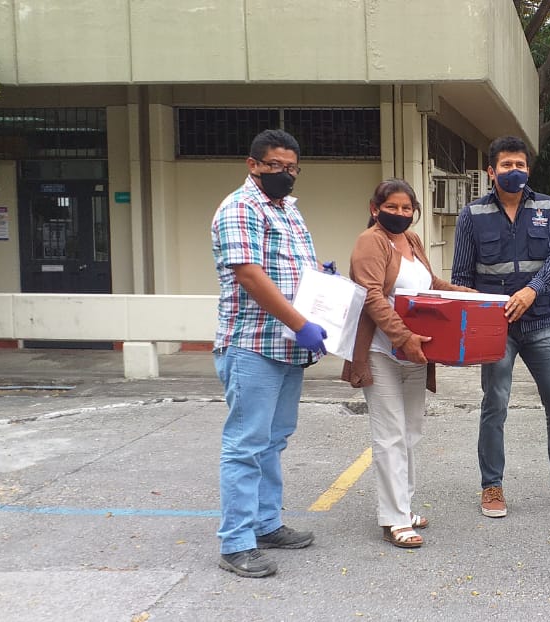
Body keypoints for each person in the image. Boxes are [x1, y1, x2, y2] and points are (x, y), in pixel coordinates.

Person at [451, 135, 550, 518]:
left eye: (520, 165)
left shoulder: (547, 208)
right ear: (491, 171)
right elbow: (461, 277)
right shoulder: (472, 215)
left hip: (540, 322)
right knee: (495, 403)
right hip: (495, 327)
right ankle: (492, 486)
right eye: (506, 165)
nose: (513, 171)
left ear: (528, 169)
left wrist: (532, 290)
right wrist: (477, 319)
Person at [210, 129, 329, 578]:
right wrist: (301, 324)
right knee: (245, 445)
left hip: (287, 348)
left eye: (292, 167)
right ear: (253, 165)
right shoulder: (240, 207)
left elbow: (293, 268)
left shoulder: (288, 210)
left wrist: (321, 278)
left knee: (273, 440)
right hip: (252, 344)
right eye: (275, 165)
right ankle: (236, 543)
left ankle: (266, 524)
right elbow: (250, 275)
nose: (285, 174)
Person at [342, 178, 477, 548]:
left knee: (411, 431)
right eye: (392, 207)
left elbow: (430, 284)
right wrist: (403, 337)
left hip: (416, 352)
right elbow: (372, 295)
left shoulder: (413, 240)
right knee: (389, 435)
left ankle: (403, 505)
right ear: (375, 209)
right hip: (382, 351)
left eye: (406, 208)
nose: (400, 214)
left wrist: (470, 296)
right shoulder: (370, 242)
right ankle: (395, 518)